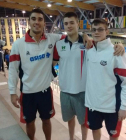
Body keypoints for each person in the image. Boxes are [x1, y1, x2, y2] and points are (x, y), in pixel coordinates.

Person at [8, 8, 93, 140]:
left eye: (40, 19)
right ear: (29, 22)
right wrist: (13, 92)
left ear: (44, 23)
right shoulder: (18, 44)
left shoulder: (52, 39)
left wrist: (86, 36)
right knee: (29, 122)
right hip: (28, 92)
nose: (37, 22)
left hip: (45, 91)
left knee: (46, 120)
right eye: (34, 19)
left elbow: (72, 35)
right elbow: (13, 69)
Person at [53, 12, 125, 140]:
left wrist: (119, 46)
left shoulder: (89, 44)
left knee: (84, 123)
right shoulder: (59, 44)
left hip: (83, 91)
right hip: (65, 91)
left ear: (77, 24)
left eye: (72, 23)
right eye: (66, 23)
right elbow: (52, 62)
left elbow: (104, 47)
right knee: (70, 120)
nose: (69, 26)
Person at [84, 18, 126, 140]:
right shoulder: (89, 50)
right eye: (94, 30)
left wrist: (124, 107)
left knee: (113, 135)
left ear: (107, 31)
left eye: (100, 29)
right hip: (92, 104)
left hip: (112, 107)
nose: (96, 32)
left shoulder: (116, 52)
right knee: (95, 130)